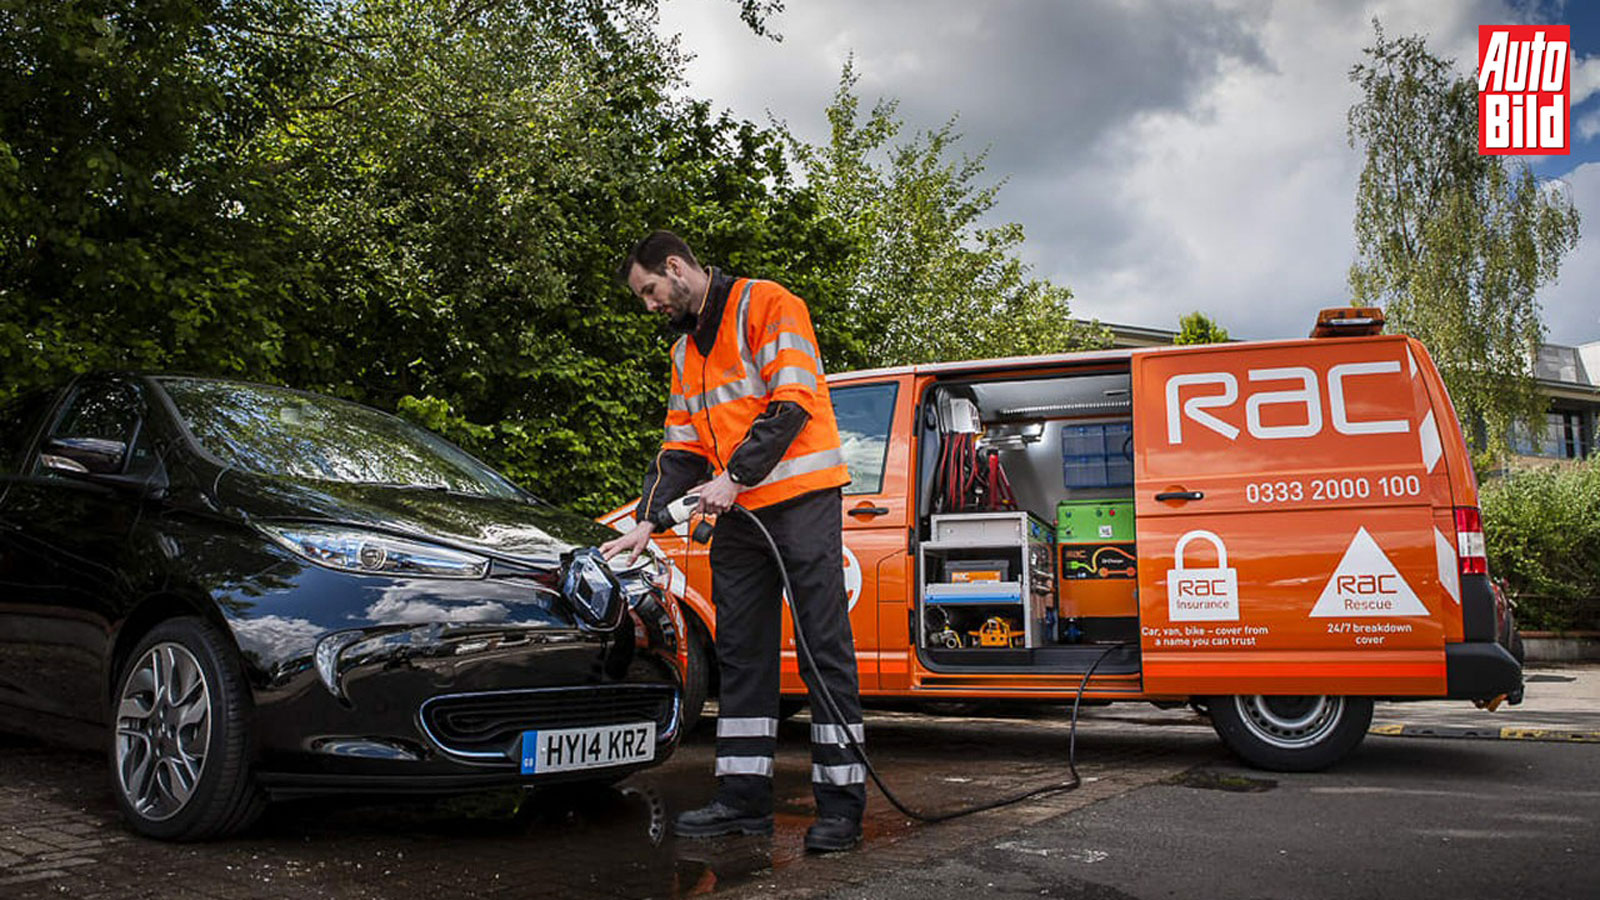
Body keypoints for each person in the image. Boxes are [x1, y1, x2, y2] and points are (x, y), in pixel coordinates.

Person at [600, 230, 867, 853]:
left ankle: (841, 810)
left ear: (675, 267)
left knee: (823, 649)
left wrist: (734, 476)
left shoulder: (769, 305)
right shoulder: (684, 354)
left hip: (800, 505)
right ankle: (742, 803)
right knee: (743, 656)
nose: (649, 305)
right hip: (740, 519)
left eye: (649, 291)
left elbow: (793, 402)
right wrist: (647, 520)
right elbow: (680, 449)